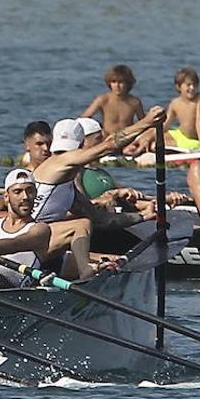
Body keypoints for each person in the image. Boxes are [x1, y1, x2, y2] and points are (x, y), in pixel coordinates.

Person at [32, 111, 165, 278]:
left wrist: (143, 216)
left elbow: (101, 220)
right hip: (30, 247)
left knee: (110, 259)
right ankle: (85, 271)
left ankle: (86, 269)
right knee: (81, 224)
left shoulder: (68, 188)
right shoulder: (62, 161)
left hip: (43, 248)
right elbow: (110, 145)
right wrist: (146, 122)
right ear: (81, 146)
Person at [81, 64, 147, 154]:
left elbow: (144, 122)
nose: (117, 85)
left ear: (128, 83)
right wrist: (98, 131)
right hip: (107, 139)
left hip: (128, 140)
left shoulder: (134, 102)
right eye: (114, 82)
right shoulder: (103, 100)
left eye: (121, 82)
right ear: (109, 83)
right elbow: (84, 119)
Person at [164, 67, 200, 152]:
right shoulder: (175, 102)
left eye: (195, 85)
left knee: (155, 145)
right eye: (188, 85)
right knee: (156, 139)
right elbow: (165, 124)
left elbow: (199, 122)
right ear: (179, 87)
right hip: (180, 134)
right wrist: (149, 136)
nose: (192, 88)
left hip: (194, 140)